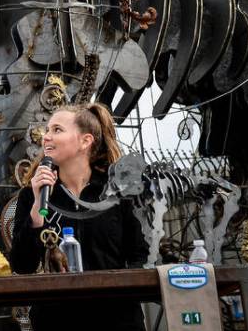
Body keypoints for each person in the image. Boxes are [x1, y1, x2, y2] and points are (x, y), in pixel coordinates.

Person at [9, 103, 148, 331]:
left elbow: (141, 255)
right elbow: (22, 265)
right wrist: (37, 209)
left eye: (57, 130)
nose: (46, 137)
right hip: (57, 320)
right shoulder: (33, 195)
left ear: (85, 141)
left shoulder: (121, 193)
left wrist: (117, 292)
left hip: (116, 319)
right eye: (47, 130)